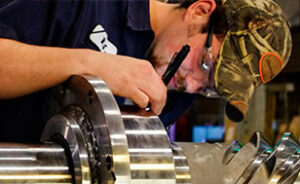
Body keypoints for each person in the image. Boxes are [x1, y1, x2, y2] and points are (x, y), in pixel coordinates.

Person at [0, 0, 291, 142]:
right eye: (206, 65)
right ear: (200, 10)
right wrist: (89, 64)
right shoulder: (93, 5)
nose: (191, 86)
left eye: (208, 89)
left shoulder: (178, 89)